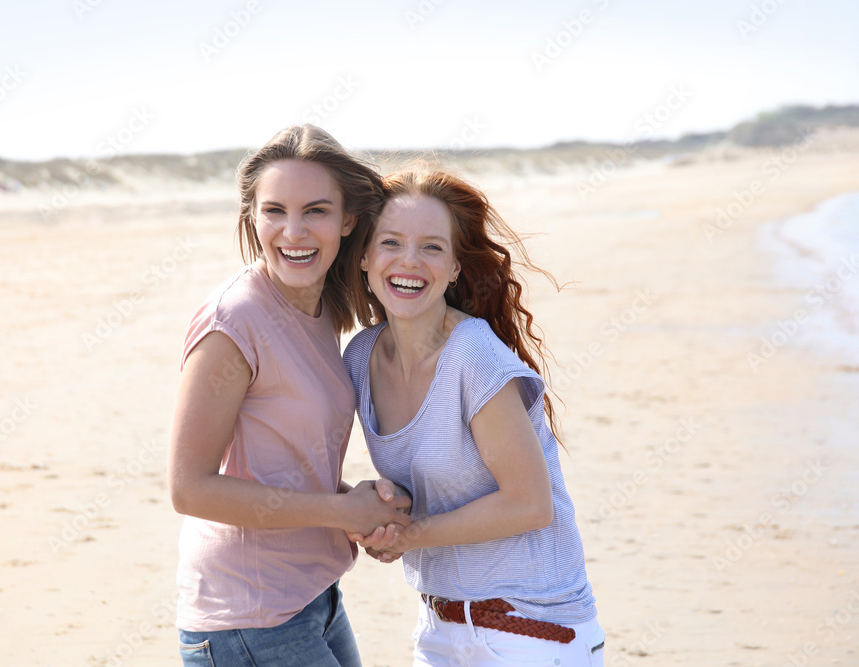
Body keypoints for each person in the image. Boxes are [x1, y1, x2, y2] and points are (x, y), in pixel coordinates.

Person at [167, 125, 411, 667]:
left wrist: (356, 511)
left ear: (348, 220)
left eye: (316, 211)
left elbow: (280, 466)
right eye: (274, 210)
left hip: (313, 597)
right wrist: (339, 509)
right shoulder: (233, 321)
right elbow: (190, 489)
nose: (293, 231)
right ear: (252, 217)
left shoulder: (322, 307)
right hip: (248, 619)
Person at [342, 168, 604, 666]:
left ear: (456, 267)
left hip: (533, 629)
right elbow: (430, 482)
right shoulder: (361, 357)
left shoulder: (473, 354)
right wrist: (384, 505)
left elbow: (529, 504)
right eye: (391, 242)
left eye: (433, 247)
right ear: (365, 258)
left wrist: (408, 534)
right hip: (440, 626)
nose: (409, 261)